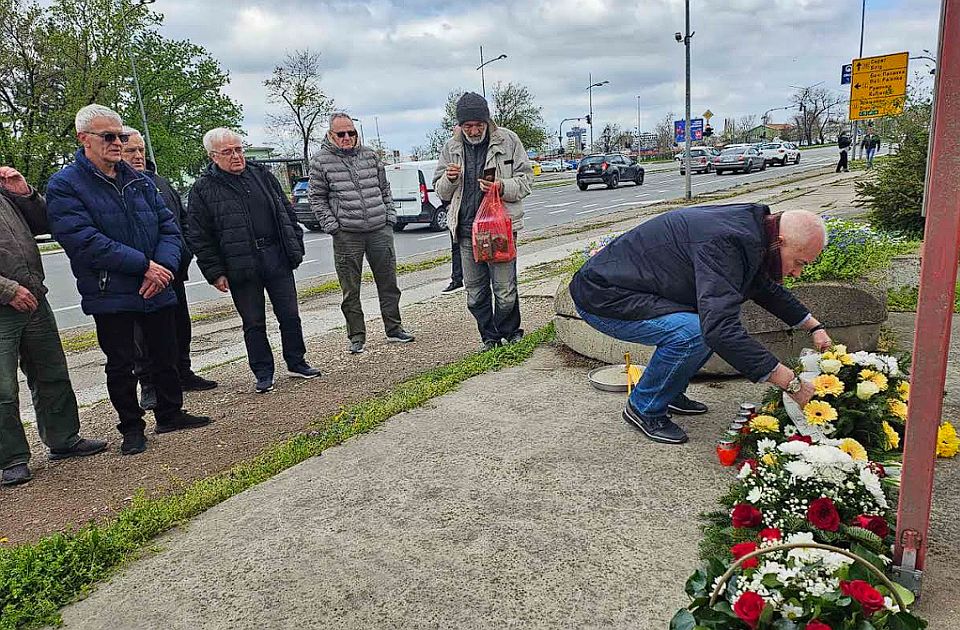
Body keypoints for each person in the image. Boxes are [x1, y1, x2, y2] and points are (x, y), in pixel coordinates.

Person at [569, 205, 833, 445]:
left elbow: (762, 286)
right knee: (695, 333)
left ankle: (668, 393)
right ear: (781, 241)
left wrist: (813, 326)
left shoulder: (755, 231)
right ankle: (644, 406)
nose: (797, 273)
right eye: (799, 263)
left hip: (635, 287)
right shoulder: (728, 243)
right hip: (604, 297)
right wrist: (791, 383)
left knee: (704, 325)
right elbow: (720, 329)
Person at [46, 105, 211, 456]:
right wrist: (144, 267)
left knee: (166, 354)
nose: (117, 143)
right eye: (108, 136)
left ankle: (170, 412)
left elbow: (169, 227)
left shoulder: (139, 179)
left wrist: (162, 268)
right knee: (121, 364)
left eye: (120, 135)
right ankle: (132, 427)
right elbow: (82, 239)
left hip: (157, 284)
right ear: (84, 139)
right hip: (111, 290)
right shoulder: (65, 185)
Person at [187, 128, 320, 393]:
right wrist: (214, 272)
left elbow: (285, 211)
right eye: (228, 151)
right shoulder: (203, 189)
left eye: (239, 149)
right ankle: (263, 372)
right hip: (240, 265)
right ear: (213, 156)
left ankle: (297, 361)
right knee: (253, 322)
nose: (236, 156)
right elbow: (199, 236)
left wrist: (295, 244)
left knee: (290, 315)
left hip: (276, 256)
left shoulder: (262, 175)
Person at [0, 166, 107, 485]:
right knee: (2, 388)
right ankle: (10, 458)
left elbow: (47, 224)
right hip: (6, 301)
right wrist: (7, 290)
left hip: (32, 294)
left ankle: (63, 439)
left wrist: (25, 194)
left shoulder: (4, 192)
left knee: (51, 372)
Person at [119, 127, 217, 410]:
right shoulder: (120, 188)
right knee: (143, 339)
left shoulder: (158, 182)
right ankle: (149, 385)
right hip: (142, 278)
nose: (138, 156)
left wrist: (181, 254)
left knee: (180, 327)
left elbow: (181, 223)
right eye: (131, 151)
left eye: (141, 150)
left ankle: (183, 372)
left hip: (173, 272)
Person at [433, 92, 533, 351]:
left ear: (488, 121)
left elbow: (526, 181)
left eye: (479, 124)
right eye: (468, 126)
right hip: (467, 231)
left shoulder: (508, 140)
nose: (474, 130)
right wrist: (450, 179)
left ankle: (510, 333)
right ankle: (489, 338)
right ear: (459, 125)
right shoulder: (450, 148)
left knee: (504, 288)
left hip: (500, 228)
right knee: (475, 292)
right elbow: (440, 191)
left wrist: (501, 186)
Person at [309, 113, 415, 355]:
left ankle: (394, 328)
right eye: (341, 134)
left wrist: (389, 217)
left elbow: (384, 188)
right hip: (347, 234)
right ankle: (356, 335)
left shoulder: (369, 155)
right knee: (350, 290)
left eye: (351, 133)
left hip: (379, 229)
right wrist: (332, 225)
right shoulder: (320, 161)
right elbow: (317, 198)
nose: (347, 138)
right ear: (330, 135)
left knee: (389, 283)